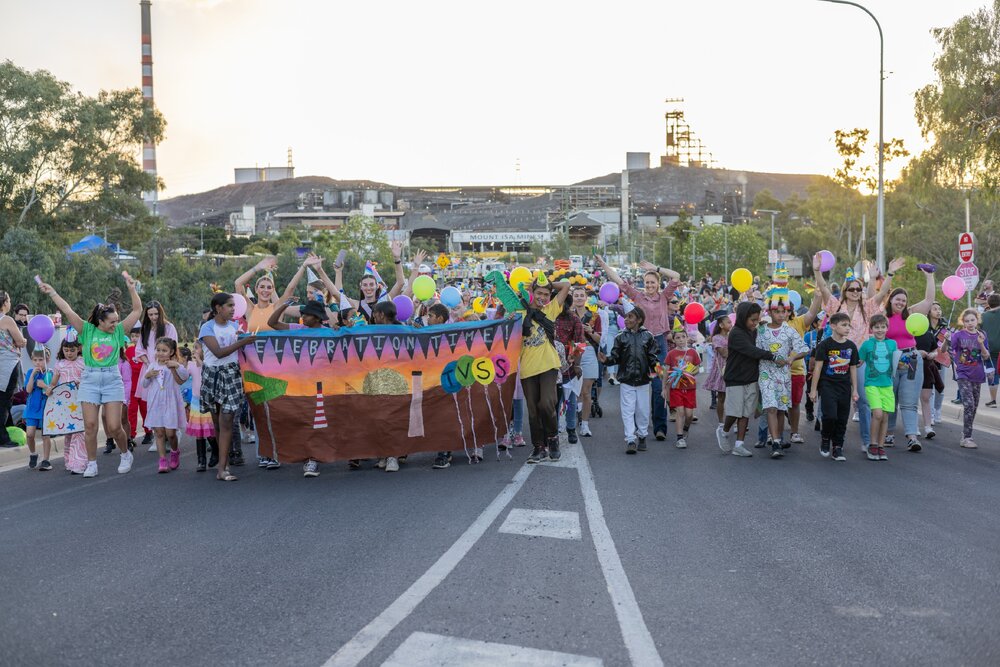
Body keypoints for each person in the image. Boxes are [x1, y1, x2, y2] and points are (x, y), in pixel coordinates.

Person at [39, 276, 142, 478]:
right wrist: (52, 292)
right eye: (111, 321)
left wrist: (132, 289)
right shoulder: (86, 330)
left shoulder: (119, 331)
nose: (115, 324)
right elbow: (68, 310)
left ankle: (125, 453)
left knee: (113, 427)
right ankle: (92, 463)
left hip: (112, 379)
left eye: (116, 321)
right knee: (90, 426)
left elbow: (137, 311)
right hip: (90, 380)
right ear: (100, 321)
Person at [595, 255, 680, 440]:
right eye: (646, 282)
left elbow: (675, 276)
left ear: (658, 284)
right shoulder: (638, 296)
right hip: (639, 346)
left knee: (659, 387)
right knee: (636, 385)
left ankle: (659, 428)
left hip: (659, 346)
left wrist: (656, 268)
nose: (649, 285)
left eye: (652, 282)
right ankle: (636, 429)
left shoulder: (665, 296)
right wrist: (603, 265)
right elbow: (617, 280)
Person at [820, 259, 901, 453]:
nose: (856, 292)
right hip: (836, 361)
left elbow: (882, 295)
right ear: (845, 291)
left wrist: (889, 274)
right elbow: (823, 289)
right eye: (852, 289)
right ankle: (827, 437)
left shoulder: (868, 306)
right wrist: (817, 271)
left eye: (858, 289)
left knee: (864, 402)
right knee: (830, 406)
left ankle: (867, 441)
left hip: (860, 361)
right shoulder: (835, 306)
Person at [199, 292, 258, 482]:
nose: (234, 309)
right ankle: (223, 463)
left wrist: (242, 338)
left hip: (231, 374)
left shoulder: (234, 326)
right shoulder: (207, 328)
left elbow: (237, 350)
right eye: (230, 306)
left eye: (234, 306)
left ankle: (222, 469)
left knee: (226, 422)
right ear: (218, 308)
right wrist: (240, 342)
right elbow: (217, 352)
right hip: (213, 375)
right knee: (218, 423)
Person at [268, 297, 329, 477]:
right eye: (302, 313)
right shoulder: (298, 329)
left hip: (324, 385)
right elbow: (272, 323)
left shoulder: (329, 333)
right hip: (301, 384)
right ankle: (310, 458)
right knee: (305, 420)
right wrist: (285, 305)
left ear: (317, 318)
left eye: (306, 314)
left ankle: (318, 455)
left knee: (321, 421)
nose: (302, 317)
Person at [883, 264, 936, 452]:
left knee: (909, 400)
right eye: (898, 299)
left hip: (911, 359)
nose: (901, 303)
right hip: (889, 361)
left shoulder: (911, 313)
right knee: (890, 398)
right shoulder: (883, 317)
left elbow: (929, 300)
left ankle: (912, 437)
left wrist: (929, 277)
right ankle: (888, 433)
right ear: (890, 300)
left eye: (904, 300)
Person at [716, 302, 778, 458]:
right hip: (736, 378)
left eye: (757, 320)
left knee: (745, 413)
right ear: (743, 317)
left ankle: (739, 445)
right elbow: (752, 351)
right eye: (752, 320)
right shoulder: (736, 333)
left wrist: (763, 325)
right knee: (735, 411)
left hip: (751, 377)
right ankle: (723, 431)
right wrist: (772, 356)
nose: (755, 323)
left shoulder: (753, 331)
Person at [520, 278, 571, 464]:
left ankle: (552, 439)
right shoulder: (519, 311)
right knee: (533, 410)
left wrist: (546, 282)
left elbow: (566, 285)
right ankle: (538, 448)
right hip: (527, 367)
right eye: (539, 293)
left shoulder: (551, 309)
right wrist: (529, 287)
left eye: (546, 294)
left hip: (549, 364)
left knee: (547, 403)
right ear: (532, 293)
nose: (542, 297)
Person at [757, 288, 808, 459]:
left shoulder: (789, 330)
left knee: (780, 409)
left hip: (783, 375)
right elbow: (756, 350)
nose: (780, 315)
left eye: (783, 311)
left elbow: (803, 349)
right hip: (766, 373)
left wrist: (791, 357)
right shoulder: (762, 330)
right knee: (771, 406)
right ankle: (776, 442)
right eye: (776, 311)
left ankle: (778, 437)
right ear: (770, 312)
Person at [599, 306, 658, 454]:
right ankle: (630, 439)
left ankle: (642, 435)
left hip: (643, 381)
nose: (626, 319)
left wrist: (659, 370)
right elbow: (615, 357)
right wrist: (606, 360)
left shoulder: (648, 336)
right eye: (626, 317)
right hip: (626, 380)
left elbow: (653, 358)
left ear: (639, 320)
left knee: (643, 410)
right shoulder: (620, 337)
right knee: (628, 410)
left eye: (630, 317)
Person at [809, 312, 859, 462]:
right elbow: (817, 368)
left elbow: (853, 369)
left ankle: (837, 447)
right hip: (828, 385)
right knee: (830, 415)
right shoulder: (825, 345)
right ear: (833, 326)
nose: (847, 328)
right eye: (844, 325)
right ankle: (825, 438)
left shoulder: (851, 346)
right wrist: (813, 390)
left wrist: (855, 389)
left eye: (848, 325)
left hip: (844, 386)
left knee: (842, 418)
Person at [134, 300, 178, 451]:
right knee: (152, 403)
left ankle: (169, 435)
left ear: (160, 313)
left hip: (165, 368)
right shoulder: (145, 329)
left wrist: (163, 362)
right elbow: (140, 350)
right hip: (150, 369)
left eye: (156, 314)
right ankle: (157, 435)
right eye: (150, 314)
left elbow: (173, 346)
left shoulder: (168, 327)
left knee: (166, 401)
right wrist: (148, 364)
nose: (153, 317)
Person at [142, 337, 189, 473]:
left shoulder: (174, 365)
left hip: (170, 402)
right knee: (159, 433)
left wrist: (177, 366)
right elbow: (144, 385)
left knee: (171, 433)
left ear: (172, 351)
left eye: (164, 350)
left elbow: (184, 377)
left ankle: (175, 451)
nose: (161, 353)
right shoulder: (152, 365)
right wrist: (147, 375)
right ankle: (162, 460)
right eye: (158, 350)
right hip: (156, 402)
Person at [857, 314, 897, 461]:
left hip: (887, 385)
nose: (880, 330)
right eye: (876, 327)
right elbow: (858, 362)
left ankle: (881, 446)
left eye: (883, 327)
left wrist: (903, 363)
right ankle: (872, 444)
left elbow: (895, 363)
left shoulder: (893, 344)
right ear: (871, 329)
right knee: (878, 414)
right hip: (872, 384)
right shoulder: (867, 345)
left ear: (887, 328)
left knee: (885, 416)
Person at [951, 308, 991, 449]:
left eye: (972, 320)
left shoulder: (982, 335)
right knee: (968, 404)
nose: (969, 323)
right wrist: (947, 343)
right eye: (966, 320)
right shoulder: (959, 335)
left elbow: (986, 356)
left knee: (973, 406)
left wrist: (980, 343)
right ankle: (967, 437)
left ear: (977, 320)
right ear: (963, 322)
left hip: (977, 374)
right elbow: (950, 349)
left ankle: (965, 434)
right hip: (963, 374)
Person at [49, 337, 87, 473]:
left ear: (79, 349)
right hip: (65, 404)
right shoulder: (59, 364)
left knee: (80, 432)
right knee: (69, 432)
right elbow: (53, 383)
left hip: (81, 401)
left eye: (72, 350)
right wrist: (49, 389)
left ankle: (79, 462)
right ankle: (69, 460)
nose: (69, 353)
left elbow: (89, 379)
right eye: (66, 350)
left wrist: (80, 382)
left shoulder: (83, 362)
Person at [569, 286, 601, 437]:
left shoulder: (594, 316)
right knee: (572, 391)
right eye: (577, 295)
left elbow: (600, 339)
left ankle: (585, 424)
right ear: (573, 297)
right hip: (573, 349)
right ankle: (571, 420)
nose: (579, 298)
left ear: (586, 298)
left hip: (588, 350)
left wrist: (590, 331)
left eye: (582, 295)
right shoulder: (567, 314)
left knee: (586, 392)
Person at [554, 295, 585, 443]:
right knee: (552, 401)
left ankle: (571, 429)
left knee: (570, 400)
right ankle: (552, 431)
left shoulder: (574, 320)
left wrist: (577, 364)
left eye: (562, 301)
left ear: (567, 303)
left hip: (569, 367)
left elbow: (579, 343)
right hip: (549, 367)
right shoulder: (546, 317)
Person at [663, 328, 700, 449]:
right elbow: (666, 371)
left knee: (689, 414)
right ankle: (679, 438)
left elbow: (697, 368)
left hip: (690, 387)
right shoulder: (671, 354)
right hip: (676, 387)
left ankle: (685, 428)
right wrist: (664, 388)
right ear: (673, 340)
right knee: (680, 411)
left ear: (687, 338)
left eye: (683, 337)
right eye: (678, 338)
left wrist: (690, 372)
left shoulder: (693, 352)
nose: (681, 340)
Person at [0, 291, 27, 449]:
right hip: (8, 363)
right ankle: (2, 437)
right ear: (4, 303)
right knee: (5, 400)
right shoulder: (7, 320)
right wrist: (22, 340)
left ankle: (7, 430)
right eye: (9, 300)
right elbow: (20, 341)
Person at [185, 341, 217, 472]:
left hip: (208, 401)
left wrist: (199, 360)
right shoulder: (191, 366)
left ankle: (216, 452)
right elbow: (183, 376)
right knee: (199, 432)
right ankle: (201, 460)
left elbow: (207, 373)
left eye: (196, 348)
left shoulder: (209, 364)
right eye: (193, 348)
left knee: (209, 431)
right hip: (196, 402)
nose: (194, 351)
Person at [917, 302, 946, 439]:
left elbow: (935, 349)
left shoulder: (929, 335)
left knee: (926, 398)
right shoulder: (910, 335)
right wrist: (918, 352)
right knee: (910, 400)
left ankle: (928, 427)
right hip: (911, 369)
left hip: (927, 369)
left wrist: (934, 354)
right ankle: (913, 428)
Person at [23, 348, 53, 470]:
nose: (38, 363)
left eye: (41, 360)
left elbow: (53, 392)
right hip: (32, 409)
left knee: (45, 435)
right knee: (30, 435)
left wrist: (45, 386)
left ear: (47, 360)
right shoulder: (30, 372)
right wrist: (32, 377)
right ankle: (33, 453)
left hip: (46, 409)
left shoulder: (51, 373)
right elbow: (28, 390)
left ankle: (46, 460)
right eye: (35, 360)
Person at [704, 313, 730, 426]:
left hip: (733, 367)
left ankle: (733, 423)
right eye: (728, 322)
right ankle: (721, 421)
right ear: (721, 325)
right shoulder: (716, 338)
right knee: (721, 397)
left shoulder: (732, 336)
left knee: (734, 397)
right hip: (722, 369)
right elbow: (724, 353)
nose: (731, 324)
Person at [980, 294, 1000, 407]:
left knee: (993, 374)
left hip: (989, 349)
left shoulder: (983, 316)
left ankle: (993, 400)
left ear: (989, 303)